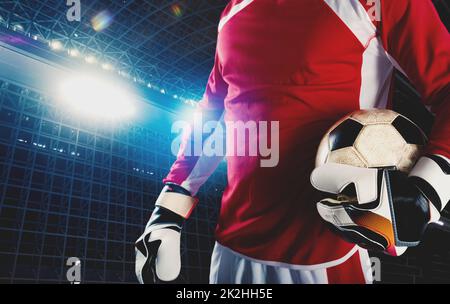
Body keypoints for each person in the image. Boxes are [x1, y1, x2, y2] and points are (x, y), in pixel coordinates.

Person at [135, 0, 449, 284]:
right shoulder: (231, 13)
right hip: (230, 255)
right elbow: (213, 113)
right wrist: (169, 207)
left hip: (326, 260)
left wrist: (427, 189)